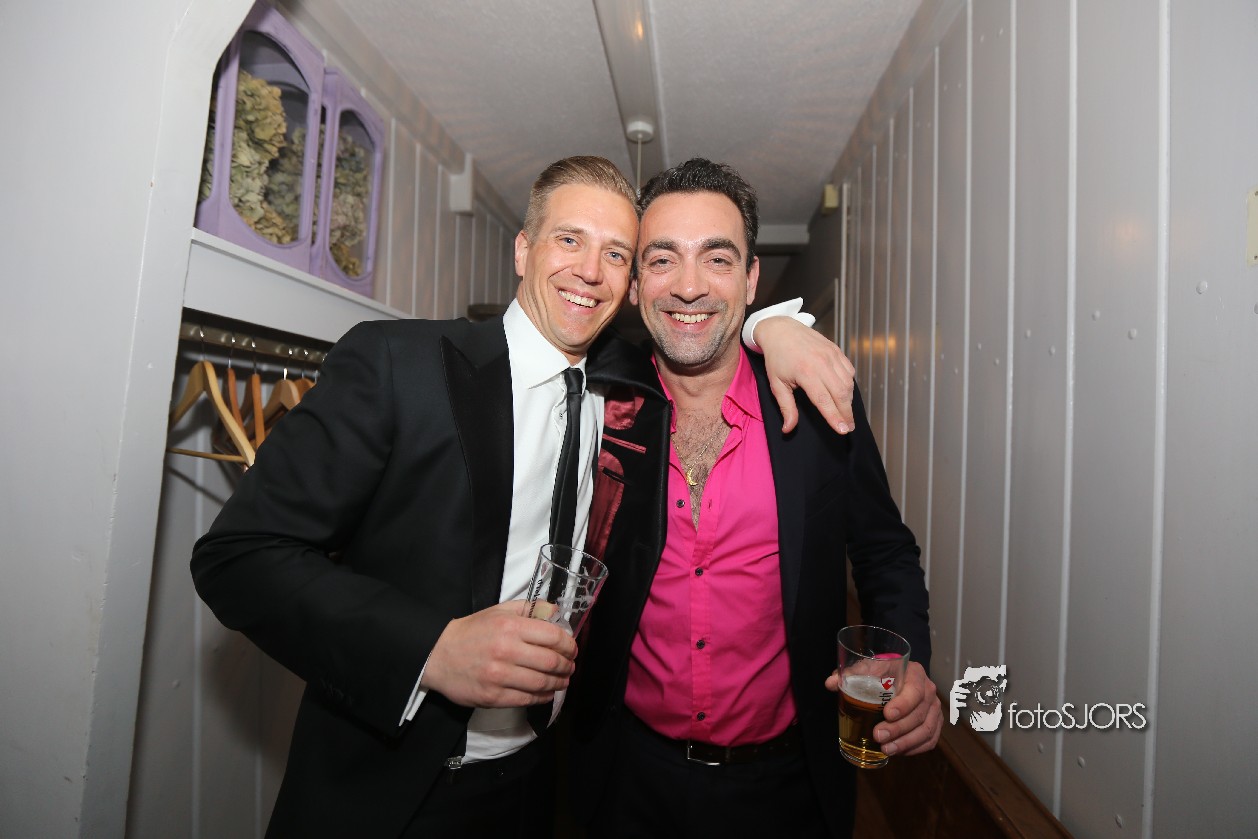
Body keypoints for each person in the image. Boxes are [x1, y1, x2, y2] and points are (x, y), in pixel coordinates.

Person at [190, 155, 856, 838]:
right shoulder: (400, 363)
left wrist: (771, 328)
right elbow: (239, 557)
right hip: (390, 788)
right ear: (523, 249)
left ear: (630, 282)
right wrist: (432, 651)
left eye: (615, 253)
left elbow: (698, 325)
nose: (590, 270)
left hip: (541, 783)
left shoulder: (626, 386)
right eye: (569, 239)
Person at [570, 158, 943, 839]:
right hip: (627, 774)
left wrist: (907, 656)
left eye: (717, 258)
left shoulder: (816, 398)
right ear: (635, 284)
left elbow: (884, 549)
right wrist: (767, 324)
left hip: (786, 785)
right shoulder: (601, 397)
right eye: (663, 259)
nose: (689, 285)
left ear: (750, 280)